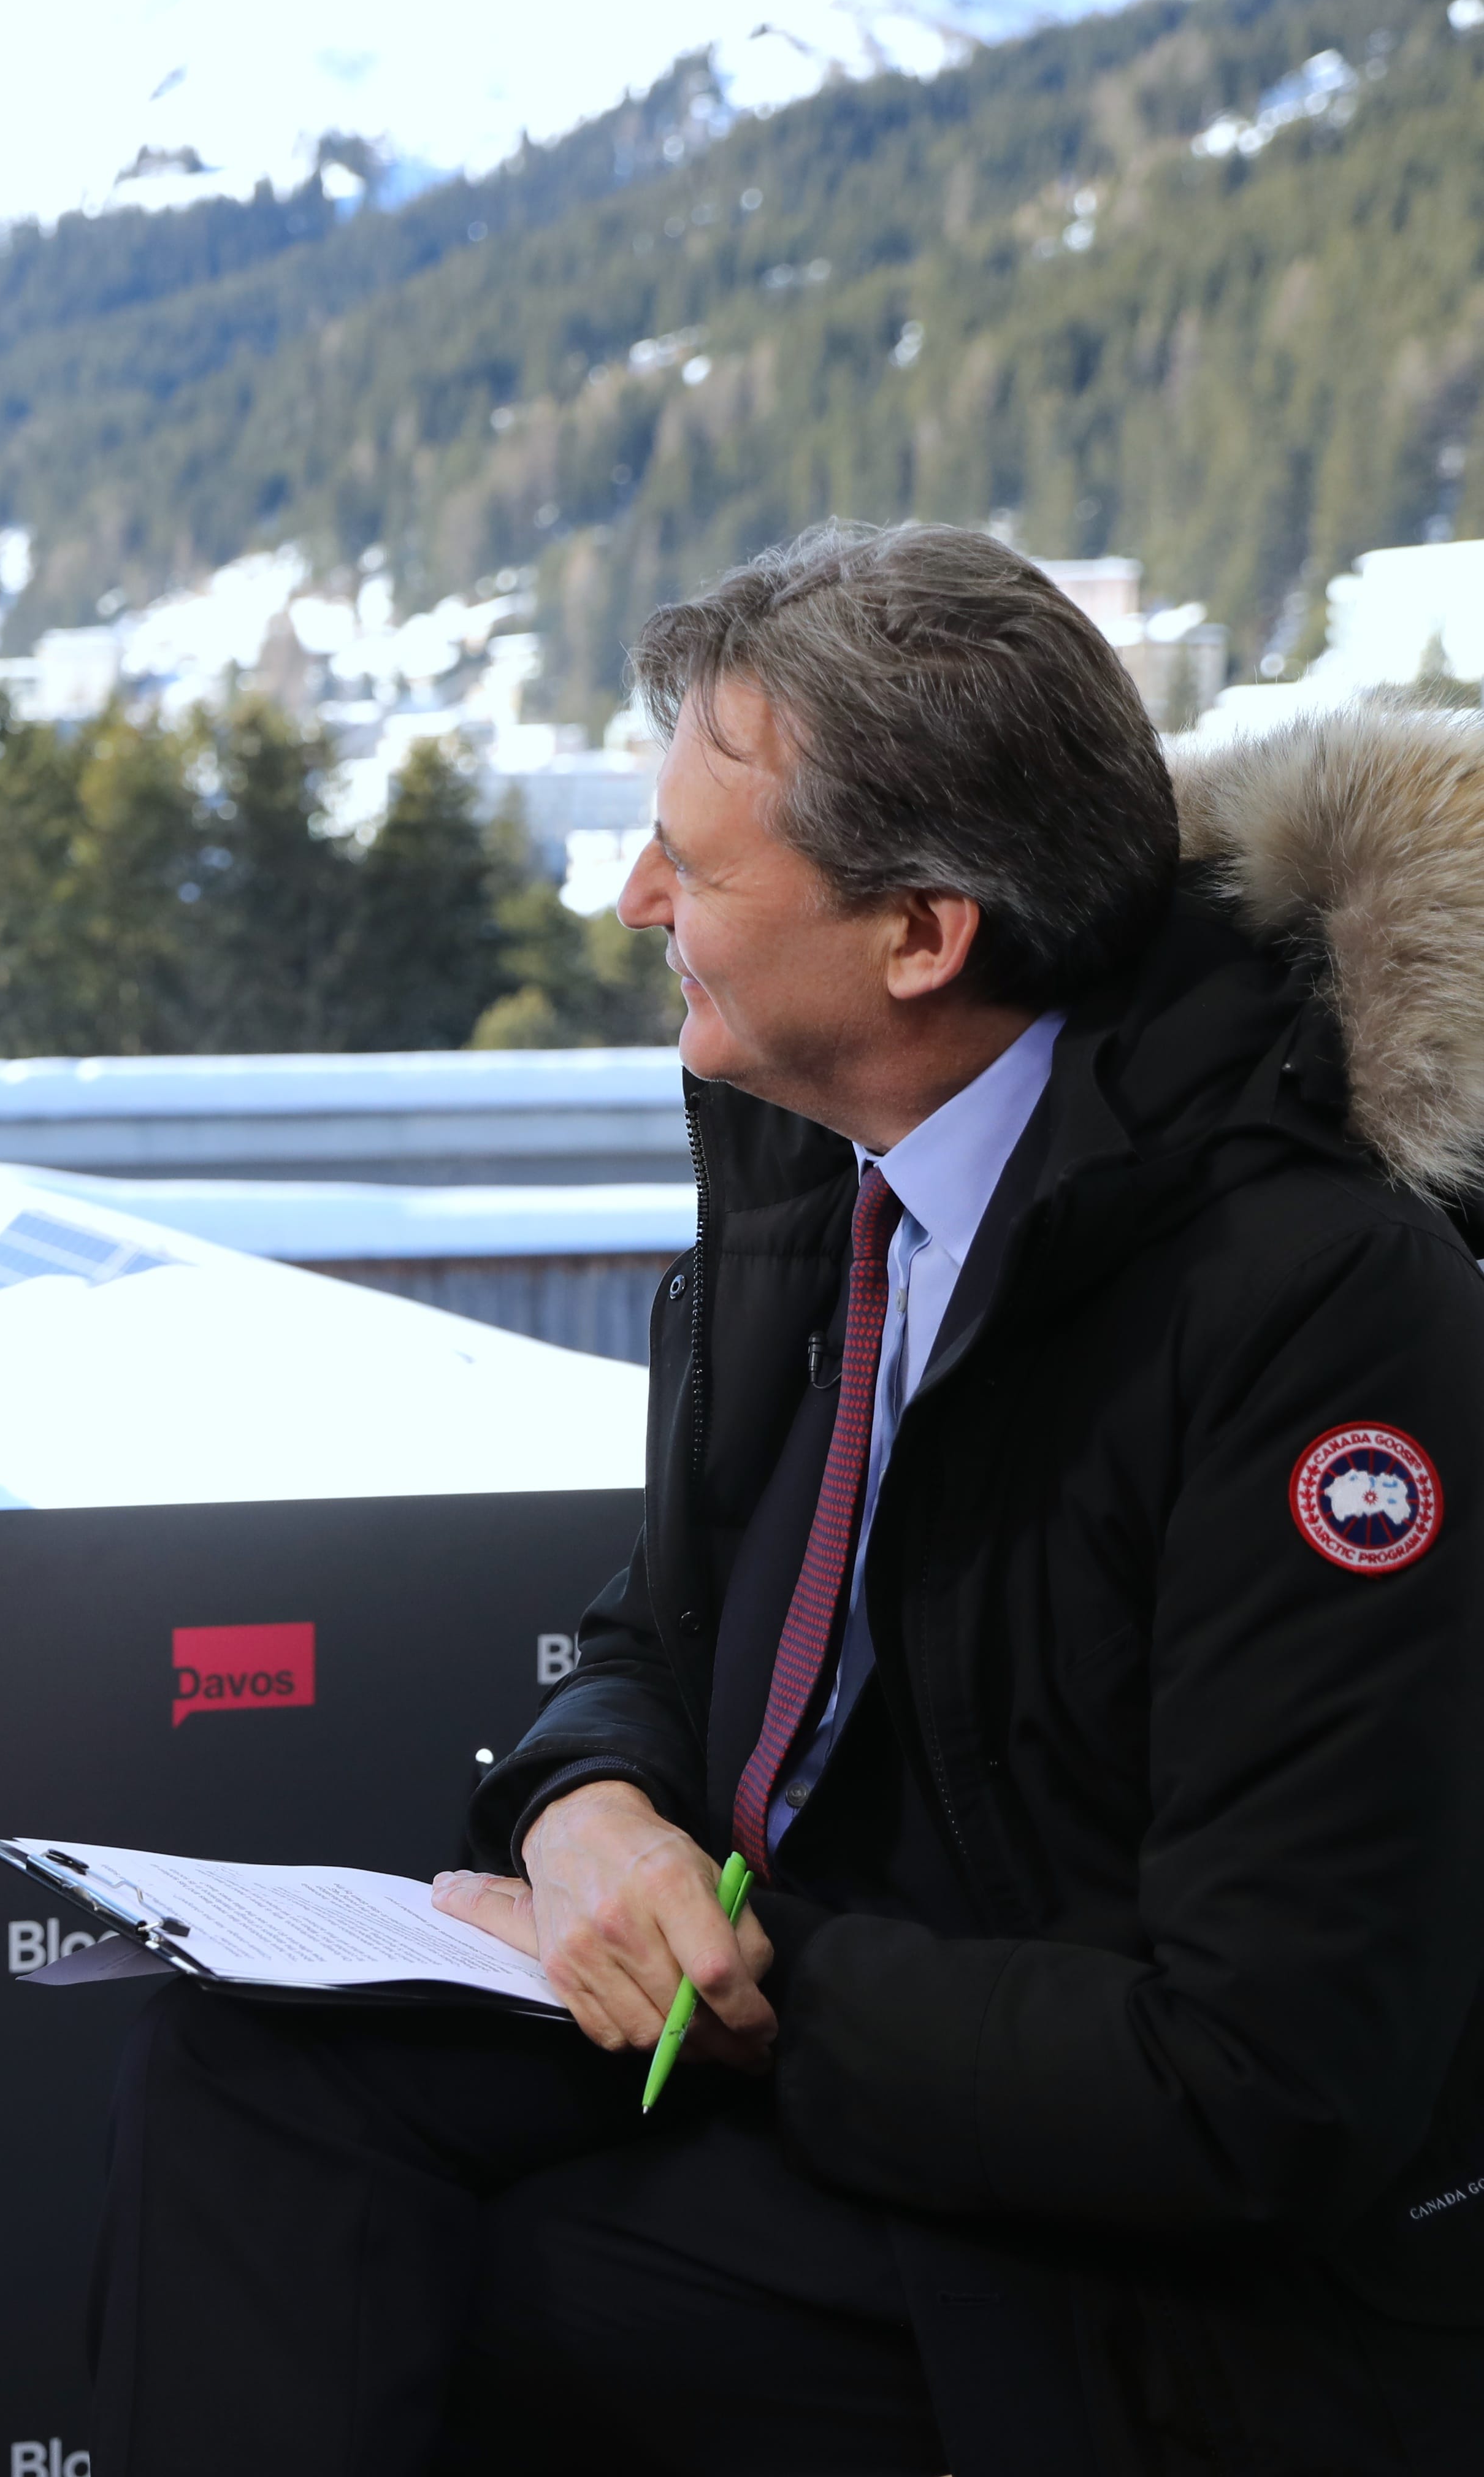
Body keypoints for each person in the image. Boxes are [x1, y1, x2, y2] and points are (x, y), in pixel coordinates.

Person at [85, 524, 1484, 2473]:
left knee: (482, 2288)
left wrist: (749, 1982)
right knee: (244, 2082)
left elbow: (1268, 2084)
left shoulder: (1310, 1313)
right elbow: (667, 1625)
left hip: (1148, 2263)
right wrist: (587, 1820)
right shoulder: (828, 1174)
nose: (641, 896)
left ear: (922, 936)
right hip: (824, 2052)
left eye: (702, 867)